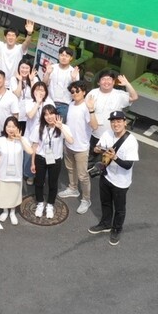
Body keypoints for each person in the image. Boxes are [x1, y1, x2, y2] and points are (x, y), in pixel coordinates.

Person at [88, 111, 139, 246]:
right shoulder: (107, 134)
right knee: (105, 202)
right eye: (113, 121)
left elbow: (128, 165)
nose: (115, 124)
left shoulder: (131, 141)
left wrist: (115, 157)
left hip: (121, 182)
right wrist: (98, 149)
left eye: (118, 121)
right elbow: (96, 149)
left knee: (119, 208)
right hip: (106, 175)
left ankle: (116, 229)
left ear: (124, 122)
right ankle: (105, 223)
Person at [32, 105, 74, 218]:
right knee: (39, 182)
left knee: (53, 183)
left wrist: (61, 128)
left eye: (51, 113)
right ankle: (40, 203)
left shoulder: (62, 127)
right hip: (40, 158)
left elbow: (71, 141)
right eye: (45, 114)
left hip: (55, 160)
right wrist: (32, 162)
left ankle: (50, 204)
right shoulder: (38, 127)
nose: (49, 117)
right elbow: (35, 145)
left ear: (56, 114)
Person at [0, 117, 33, 226]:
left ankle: (12, 212)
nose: (11, 129)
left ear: (18, 128)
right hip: (3, 173)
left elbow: (30, 151)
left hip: (16, 174)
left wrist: (21, 139)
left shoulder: (22, 140)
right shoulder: (0, 140)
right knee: (4, 193)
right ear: (5, 127)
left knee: (14, 193)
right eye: (8, 126)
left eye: (13, 126)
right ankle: (5, 211)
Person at [61, 80, 95, 214]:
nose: (74, 93)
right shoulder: (70, 104)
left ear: (84, 92)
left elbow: (94, 126)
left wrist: (92, 110)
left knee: (83, 175)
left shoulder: (86, 107)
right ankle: (73, 188)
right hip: (69, 144)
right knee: (70, 169)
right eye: (72, 91)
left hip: (81, 147)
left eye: (77, 91)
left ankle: (86, 199)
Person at [86, 70, 138, 152]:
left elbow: (134, 97)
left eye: (109, 79)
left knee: (109, 161)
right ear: (98, 82)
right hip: (95, 134)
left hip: (112, 136)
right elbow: (85, 112)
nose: (106, 82)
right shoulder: (93, 93)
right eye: (103, 79)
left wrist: (127, 84)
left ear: (113, 82)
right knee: (92, 159)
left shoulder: (119, 94)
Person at [45, 46, 80, 120]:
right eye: (62, 55)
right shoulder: (52, 68)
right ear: (58, 56)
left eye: (67, 56)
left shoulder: (73, 71)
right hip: (50, 102)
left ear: (71, 58)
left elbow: (76, 91)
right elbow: (44, 84)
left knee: (59, 128)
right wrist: (47, 73)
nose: (64, 58)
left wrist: (74, 78)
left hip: (65, 105)